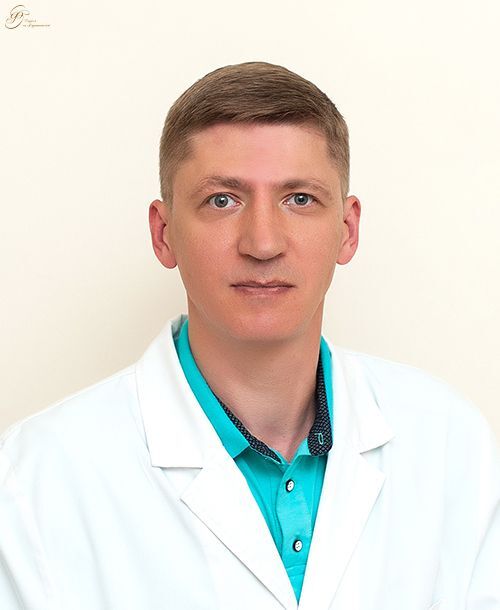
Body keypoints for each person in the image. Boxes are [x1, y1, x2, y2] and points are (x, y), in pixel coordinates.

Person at [0, 62, 498, 610]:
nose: (263, 244)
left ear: (347, 230)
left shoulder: (452, 444)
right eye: (223, 200)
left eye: (299, 199)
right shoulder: (32, 481)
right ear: (164, 234)